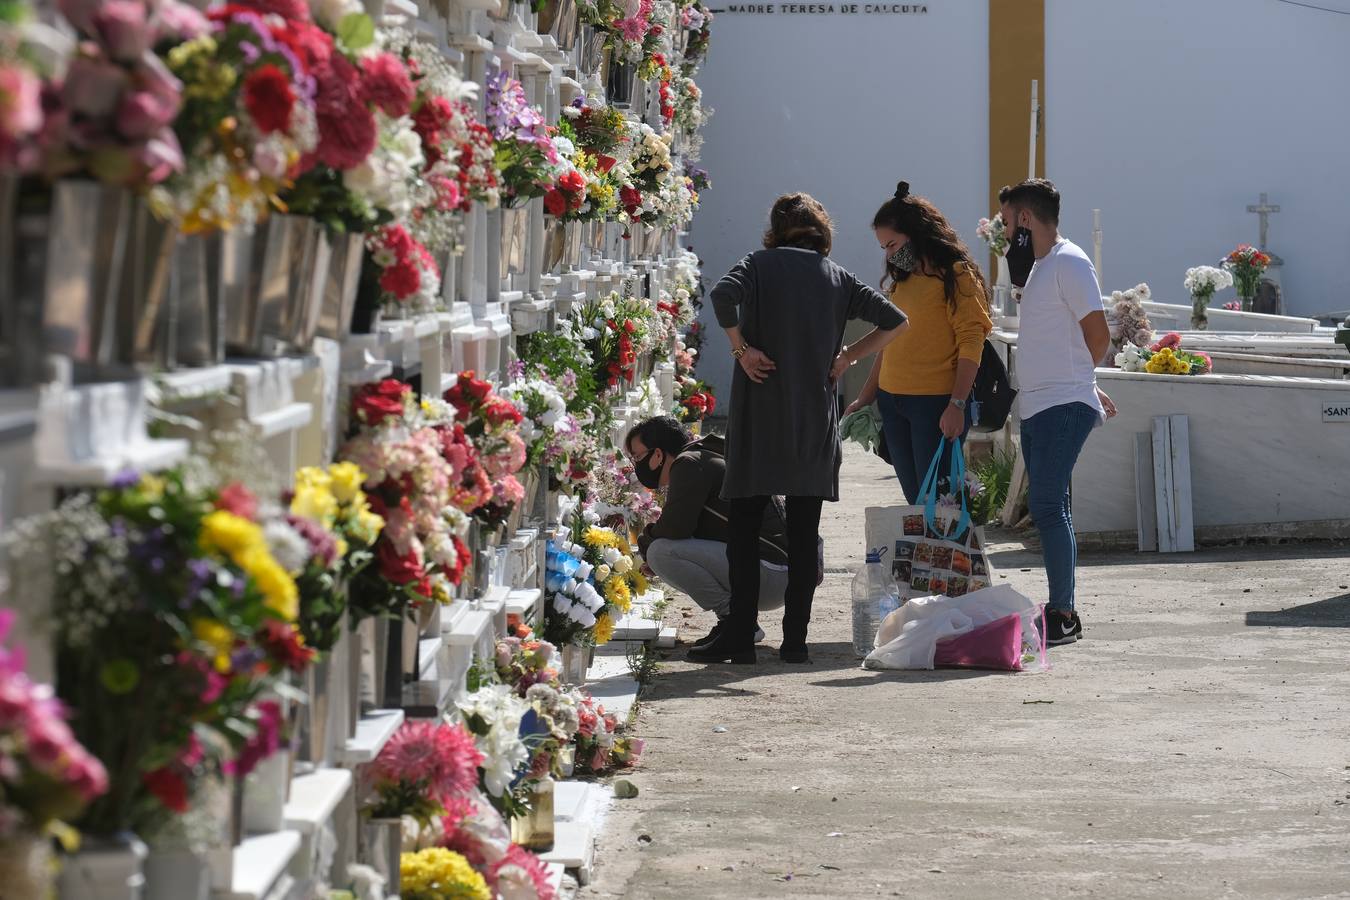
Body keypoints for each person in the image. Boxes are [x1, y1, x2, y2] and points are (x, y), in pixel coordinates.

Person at [696, 193, 907, 665]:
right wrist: (849, 357)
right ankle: (795, 641)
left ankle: (740, 637)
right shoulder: (837, 278)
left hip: (759, 417)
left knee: (745, 530)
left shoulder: (757, 265)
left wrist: (741, 349)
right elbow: (895, 320)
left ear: (776, 228)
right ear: (821, 231)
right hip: (812, 419)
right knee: (803, 532)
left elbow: (722, 295)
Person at [998, 178, 1118, 646]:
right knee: (1053, 506)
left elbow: (1098, 336)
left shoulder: (1068, 262)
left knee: (1048, 505)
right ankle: (1062, 610)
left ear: (1026, 219)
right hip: (1040, 404)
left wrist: (1081, 385)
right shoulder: (1041, 267)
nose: (1006, 233)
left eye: (1008, 223)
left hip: (1061, 403)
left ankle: (1063, 614)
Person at [845, 181, 994, 503]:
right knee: (917, 504)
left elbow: (972, 340)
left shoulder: (956, 275)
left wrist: (956, 404)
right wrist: (866, 397)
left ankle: (953, 555)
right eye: (884, 247)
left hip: (935, 404)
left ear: (917, 233)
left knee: (940, 505)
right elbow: (890, 342)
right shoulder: (903, 280)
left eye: (892, 245)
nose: (888, 254)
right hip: (892, 402)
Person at [625, 416, 824, 648]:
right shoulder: (703, 455)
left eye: (637, 457)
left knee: (661, 553)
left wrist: (645, 545)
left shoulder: (689, 463)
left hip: (773, 574)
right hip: (784, 573)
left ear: (658, 454)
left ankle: (738, 621)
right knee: (662, 552)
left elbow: (674, 528)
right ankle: (735, 621)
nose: (636, 464)